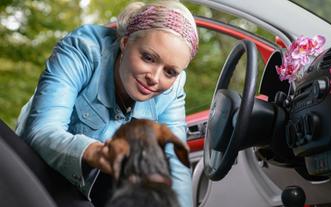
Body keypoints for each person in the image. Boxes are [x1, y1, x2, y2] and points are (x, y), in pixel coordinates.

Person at [15, 0, 198, 206]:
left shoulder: (173, 88)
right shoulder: (83, 48)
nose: (155, 78)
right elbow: (41, 130)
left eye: (170, 71)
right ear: (125, 42)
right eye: (148, 57)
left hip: (93, 189)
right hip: (31, 172)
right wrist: (94, 152)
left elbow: (176, 164)